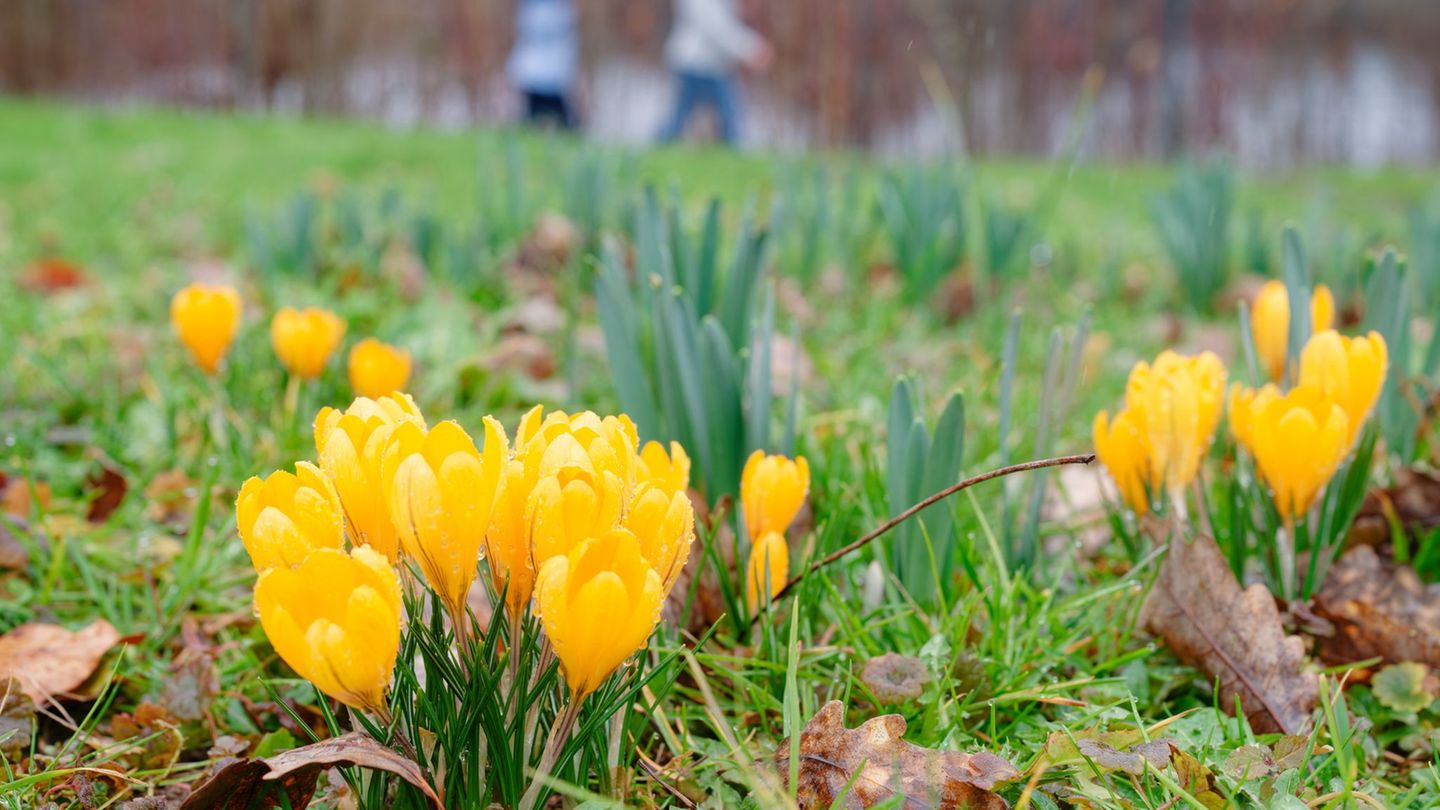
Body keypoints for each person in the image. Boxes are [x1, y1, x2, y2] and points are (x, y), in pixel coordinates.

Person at [658, 0, 772, 146]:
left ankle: (661, 146)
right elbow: (719, 29)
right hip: (699, 64)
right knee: (728, 115)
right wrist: (753, 49)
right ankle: (734, 149)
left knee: (682, 115)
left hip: (705, 64)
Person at [506, 0, 580, 130]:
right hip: (537, 70)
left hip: (553, 69)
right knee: (536, 109)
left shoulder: (558, 12)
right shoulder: (532, 11)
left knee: (559, 112)